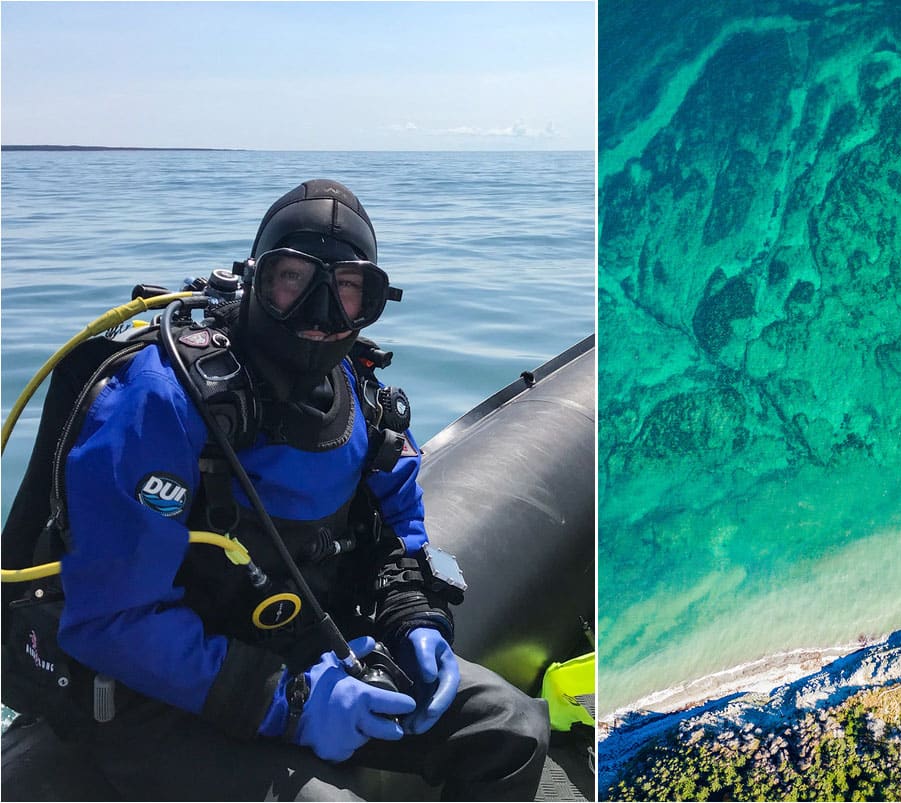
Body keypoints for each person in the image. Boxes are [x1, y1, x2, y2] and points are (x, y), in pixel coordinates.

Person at [10, 179, 550, 800]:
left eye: (348, 289)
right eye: (293, 279)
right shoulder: (164, 400)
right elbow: (112, 619)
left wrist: (412, 614)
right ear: (255, 280)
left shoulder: (359, 391)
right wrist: (288, 703)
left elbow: (399, 518)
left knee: (510, 728)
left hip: (303, 648)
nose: (321, 314)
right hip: (155, 695)